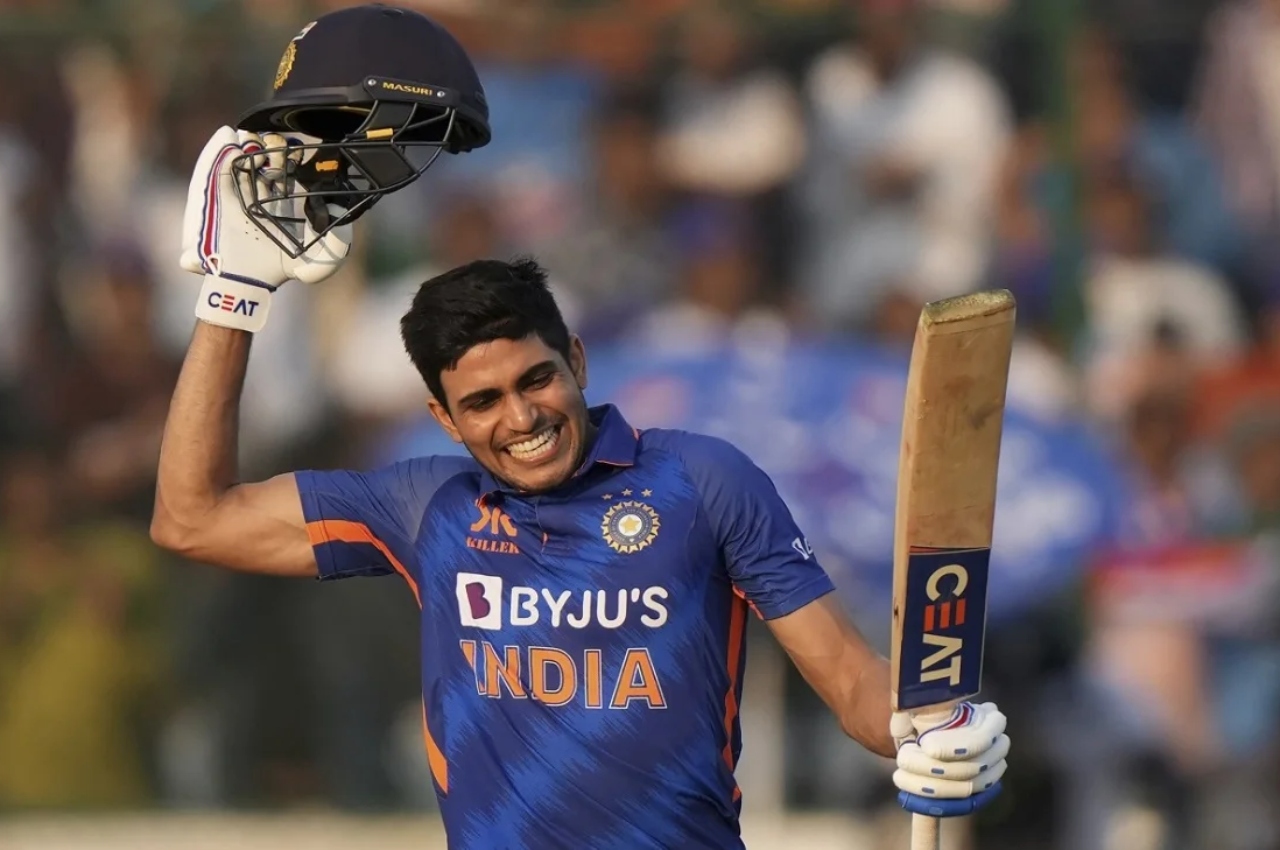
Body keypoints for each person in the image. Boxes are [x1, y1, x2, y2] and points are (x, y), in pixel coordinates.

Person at [150, 4, 1010, 847]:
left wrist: (925, 729)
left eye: (537, 380)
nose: (522, 418)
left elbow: (853, 682)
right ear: (443, 419)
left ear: (578, 362)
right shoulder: (426, 508)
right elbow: (192, 518)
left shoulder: (703, 483)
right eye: (483, 403)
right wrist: (234, 299)